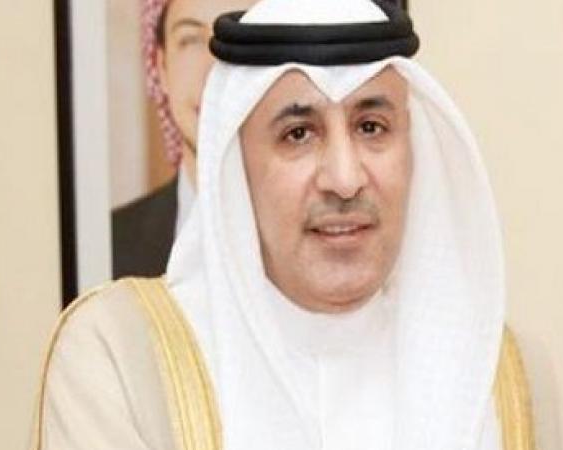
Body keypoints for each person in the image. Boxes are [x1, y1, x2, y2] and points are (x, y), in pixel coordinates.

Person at [33, 0, 522, 448]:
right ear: (237, 166)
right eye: (298, 134)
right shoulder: (118, 355)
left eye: (371, 127)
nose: (344, 179)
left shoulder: (500, 376)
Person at [111, 0, 254, 278]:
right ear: (161, 67)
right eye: (190, 41)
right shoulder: (110, 246)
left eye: (238, 35)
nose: (213, 71)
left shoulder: (329, 233)